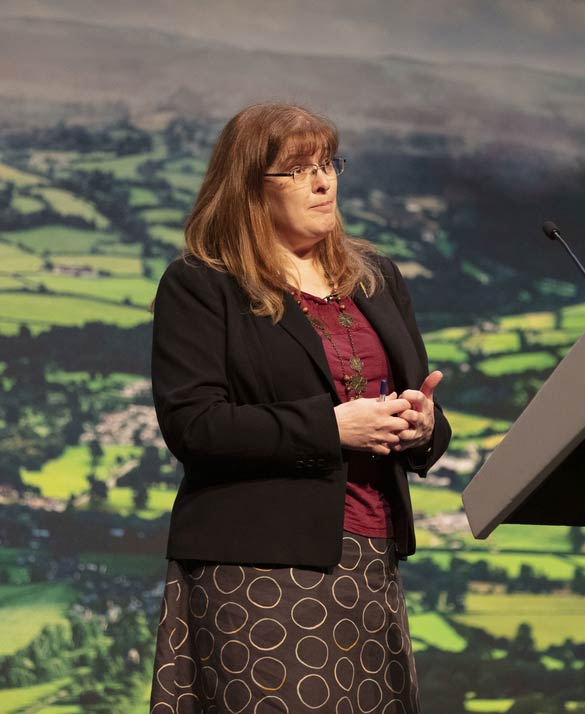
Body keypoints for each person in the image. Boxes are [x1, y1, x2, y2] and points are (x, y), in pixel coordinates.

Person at [149, 103, 450, 714]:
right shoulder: (203, 285)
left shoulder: (375, 278)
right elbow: (194, 426)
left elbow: (417, 402)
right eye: (298, 170)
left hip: (371, 557)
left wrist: (422, 426)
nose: (323, 183)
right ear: (248, 188)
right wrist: (330, 428)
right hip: (258, 566)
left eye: (328, 164)